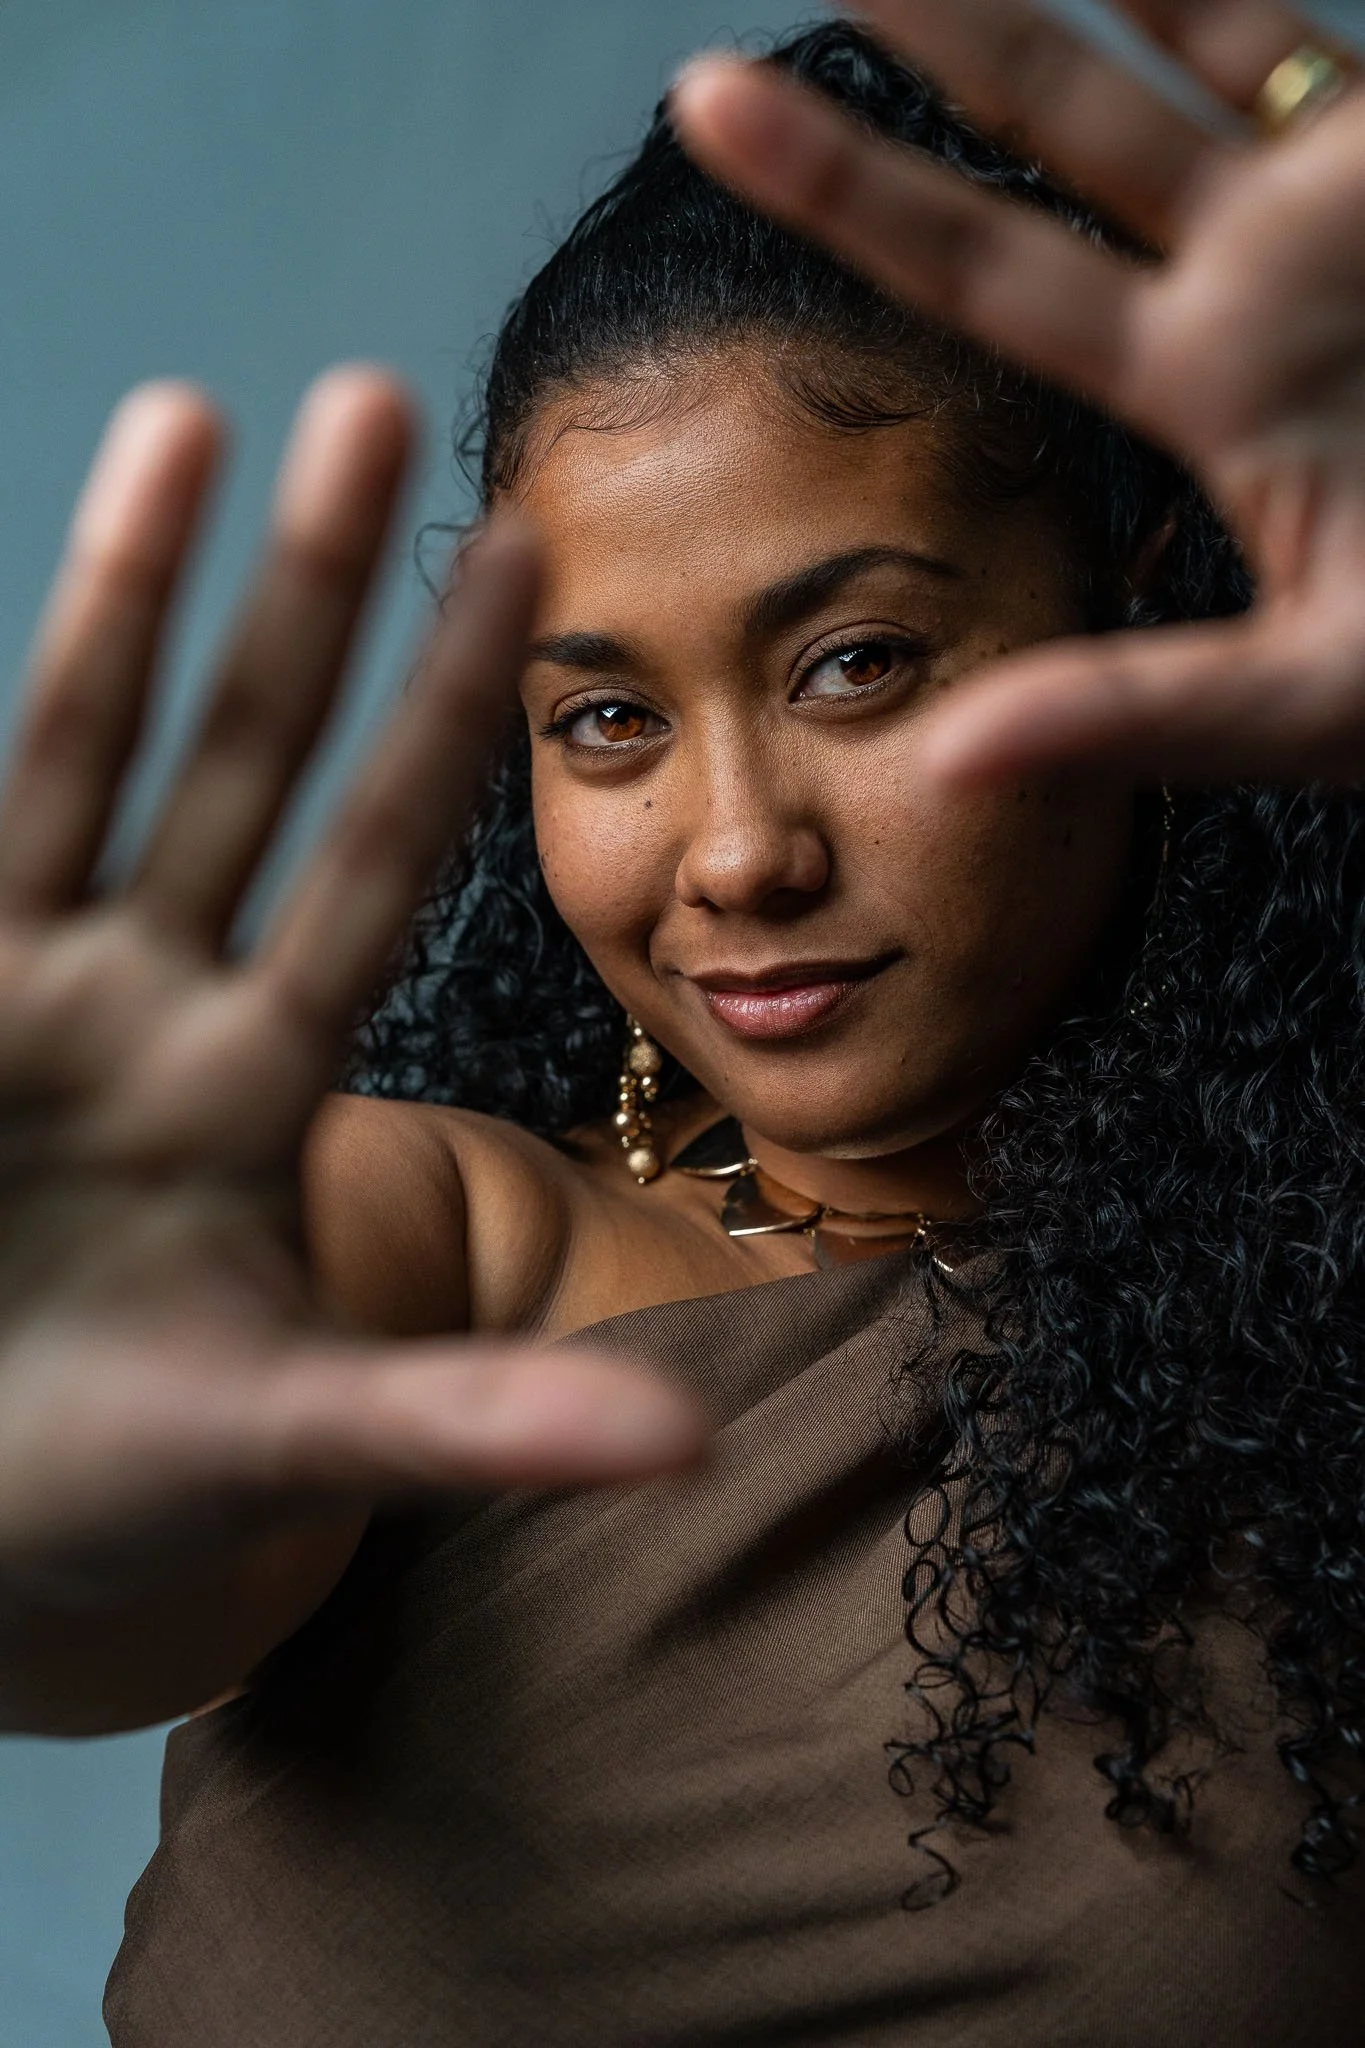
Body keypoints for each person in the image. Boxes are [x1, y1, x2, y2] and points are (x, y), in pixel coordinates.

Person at [0, 1, 1358, 2040]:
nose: (730, 852)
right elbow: (99, 1573)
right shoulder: (449, 1237)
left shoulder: (1303, 1358)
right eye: (608, 719)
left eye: (857, 664)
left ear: (1137, 603)